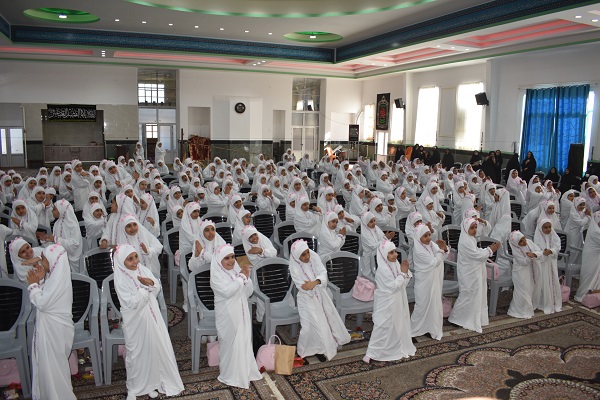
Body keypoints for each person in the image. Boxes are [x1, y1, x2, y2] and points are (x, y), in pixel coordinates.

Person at [113, 245, 184, 400]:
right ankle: (133, 389)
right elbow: (131, 302)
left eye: (135, 257)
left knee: (152, 349)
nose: (135, 261)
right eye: (130, 259)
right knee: (136, 354)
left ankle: (151, 384)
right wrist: (146, 287)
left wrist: (150, 283)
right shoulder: (120, 278)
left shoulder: (142, 269)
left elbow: (156, 287)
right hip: (135, 321)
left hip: (152, 316)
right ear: (121, 261)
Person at [26, 244, 76, 400]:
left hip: (54, 331)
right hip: (53, 330)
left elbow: (42, 303)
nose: (41, 263)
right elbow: (48, 295)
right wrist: (41, 280)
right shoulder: (56, 278)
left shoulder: (57, 282)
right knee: (52, 366)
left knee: (53, 367)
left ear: (53, 261)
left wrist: (33, 285)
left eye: (43, 259)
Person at [210, 244, 262, 388]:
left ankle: (244, 371)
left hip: (241, 311)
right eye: (226, 258)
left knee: (243, 340)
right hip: (227, 315)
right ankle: (230, 374)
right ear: (219, 260)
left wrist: (247, 279)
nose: (231, 261)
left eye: (232, 257)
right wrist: (241, 278)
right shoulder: (216, 276)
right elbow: (228, 291)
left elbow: (248, 292)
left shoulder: (235, 271)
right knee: (230, 342)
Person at [289, 240, 351, 360]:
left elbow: (323, 272)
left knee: (324, 322)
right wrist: (311, 286)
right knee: (307, 327)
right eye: (303, 255)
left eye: (307, 252)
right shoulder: (293, 265)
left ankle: (321, 349)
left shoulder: (314, 256)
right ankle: (303, 351)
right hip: (306, 299)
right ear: (297, 256)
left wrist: (315, 282)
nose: (307, 256)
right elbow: (302, 286)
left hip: (321, 294)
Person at [364, 240, 415, 363]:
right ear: (383, 254)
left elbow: (402, 284)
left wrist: (405, 273)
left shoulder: (395, 264)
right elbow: (392, 287)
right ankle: (371, 353)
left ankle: (394, 349)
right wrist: (403, 273)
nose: (395, 254)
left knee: (397, 324)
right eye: (391, 252)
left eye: (395, 251)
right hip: (386, 301)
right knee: (382, 325)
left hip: (397, 299)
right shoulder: (382, 270)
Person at [448, 218, 500, 333]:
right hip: (468, 273)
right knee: (468, 294)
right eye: (471, 228)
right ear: (465, 228)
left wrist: (487, 249)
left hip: (474, 271)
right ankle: (456, 318)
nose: (474, 230)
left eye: (475, 227)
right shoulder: (465, 241)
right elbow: (477, 255)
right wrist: (490, 250)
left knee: (474, 294)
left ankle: (467, 318)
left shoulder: (470, 239)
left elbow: (476, 252)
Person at [411, 224, 448, 340]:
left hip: (433, 279)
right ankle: (412, 331)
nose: (428, 238)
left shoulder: (431, 244)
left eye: (429, 235)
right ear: (418, 238)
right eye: (425, 236)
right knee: (421, 306)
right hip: (424, 281)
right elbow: (433, 262)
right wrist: (441, 250)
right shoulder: (418, 250)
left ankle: (429, 328)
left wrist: (444, 248)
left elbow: (442, 256)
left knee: (433, 304)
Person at [38, 199, 83, 272]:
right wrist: (46, 239)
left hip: (72, 259)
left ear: (62, 210)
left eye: (54, 209)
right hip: (59, 256)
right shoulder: (57, 224)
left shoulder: (73, 226)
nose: (52, 211)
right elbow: (54, 242)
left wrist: (55, 239)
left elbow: (74, 244)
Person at [507, 231, 542, 319]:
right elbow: (523, 262)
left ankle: (529, 307)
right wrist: (529, 257)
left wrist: (534, 254)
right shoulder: (516, 250)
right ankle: (520, 311)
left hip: (531, 270)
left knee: (531, 287)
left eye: (524, 239)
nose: (524, 242)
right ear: (516, 243)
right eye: (521, 241)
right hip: (520, 272)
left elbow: (539, 251)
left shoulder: (529, 242)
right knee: (523, 289)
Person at [532, 218, 562, 314]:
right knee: (543, 282)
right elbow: (536, 250)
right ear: (541, 228)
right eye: (545, 227)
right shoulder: (537, 238)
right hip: (543, 263)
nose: (548, 229)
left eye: (549, 227)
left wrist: (551, 251)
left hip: (552, 262)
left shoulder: (553, 235)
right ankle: (544, 302)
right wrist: (544, 253)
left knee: (553, 281)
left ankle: (553, 302)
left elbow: (557, 246)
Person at [575, 211, 600, 302]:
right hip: (591, 257)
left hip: (596, 257)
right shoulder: (596, 231)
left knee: (594, 276)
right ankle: (583, 295)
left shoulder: (595, 228)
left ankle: (594, 294)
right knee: (588, 276)